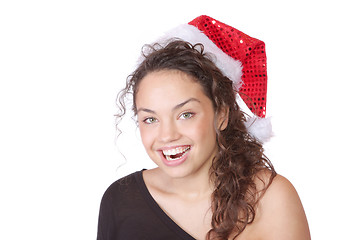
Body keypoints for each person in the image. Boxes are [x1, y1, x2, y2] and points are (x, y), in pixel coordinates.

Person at [97, 15, 310, 240]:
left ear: (221, 114)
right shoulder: (120, 200)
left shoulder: (272, 198)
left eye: (185, 114)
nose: (167, 135)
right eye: (150, 119)